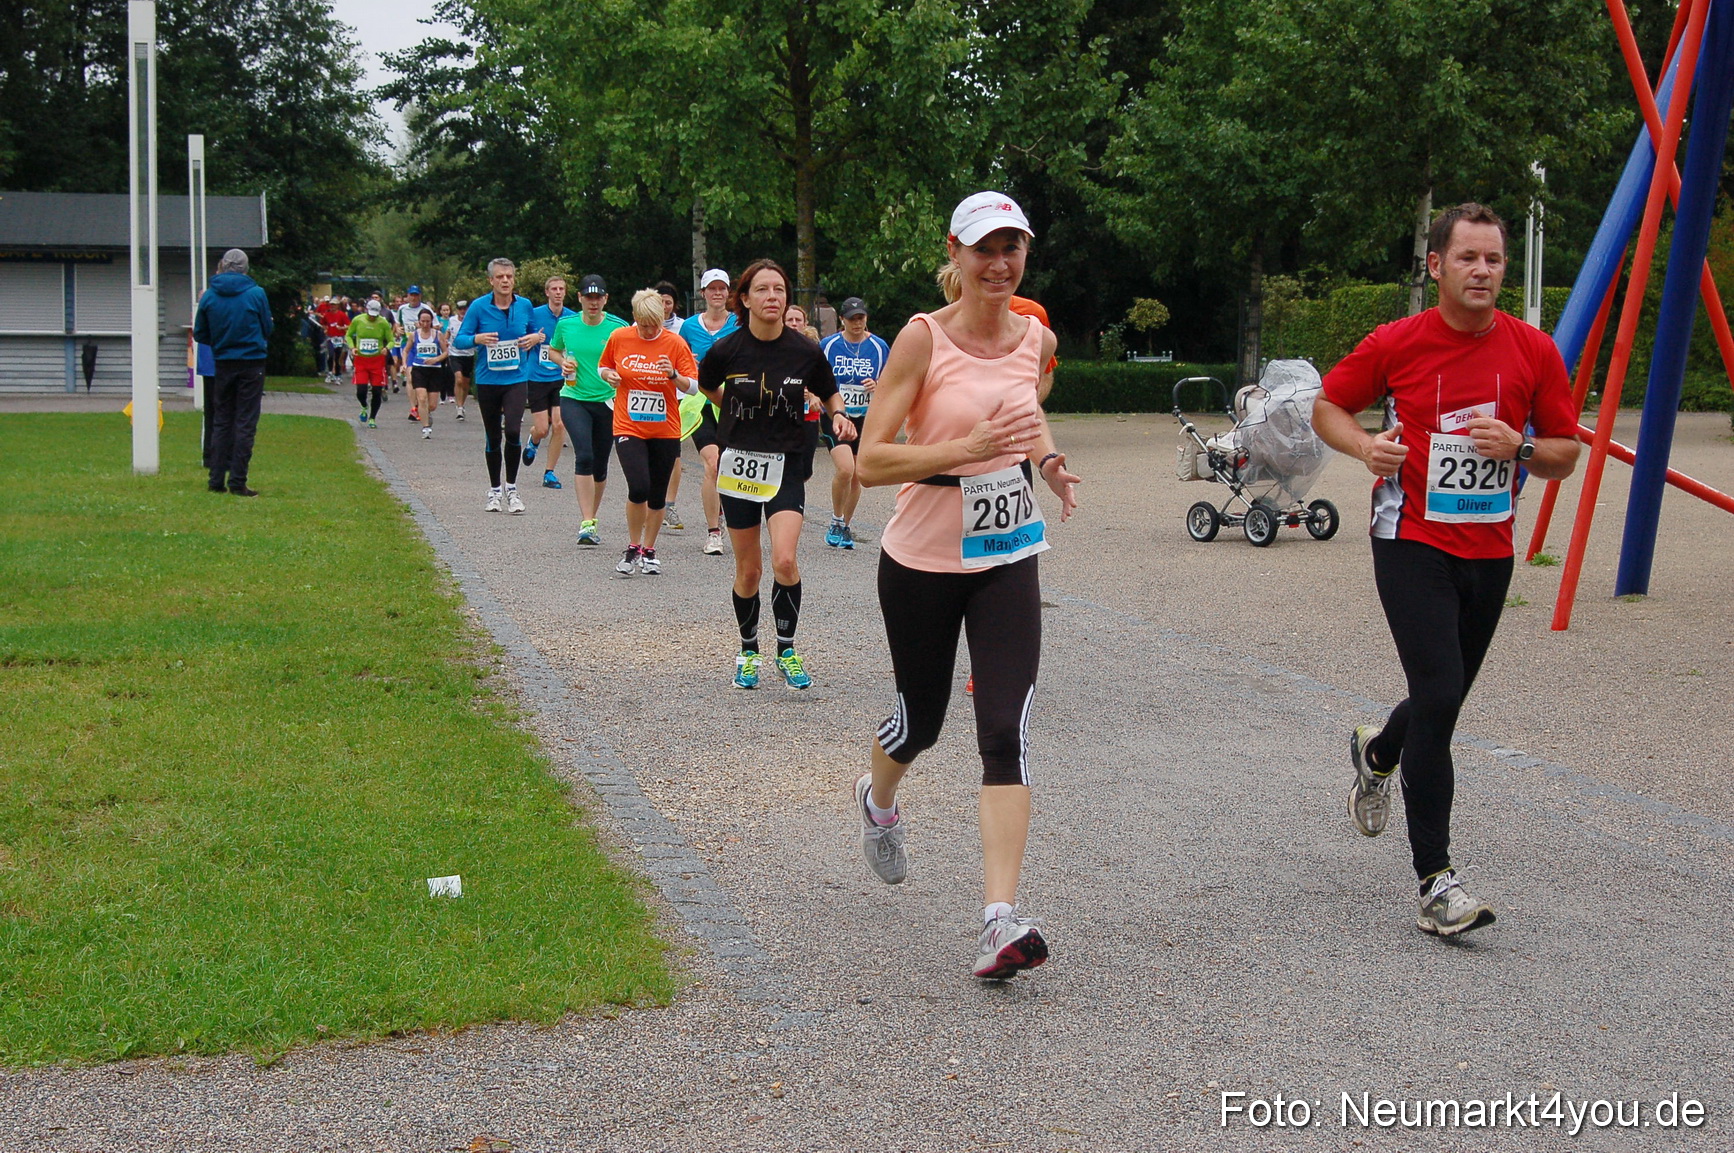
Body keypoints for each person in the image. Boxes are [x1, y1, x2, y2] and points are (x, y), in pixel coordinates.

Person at [1311, 203, 1580, 938]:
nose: (1485, 271)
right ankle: (1437, 882)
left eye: (1494, 259)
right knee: (1439, 689)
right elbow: (1327, 405)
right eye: (1469, 258)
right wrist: (1368, 449)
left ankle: (1378, 751)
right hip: (1410, 539)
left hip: (1489, 550)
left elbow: (1566, 450)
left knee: (1443, 698)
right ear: (1437, 266)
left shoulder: (1533, 351)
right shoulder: (1398, 342)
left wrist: (1520, 448)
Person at [853, 191, 1080, 980]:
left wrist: (1046, 461)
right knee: (922, 721)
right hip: (920, 557)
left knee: (1005, 727)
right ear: (954, 252)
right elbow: (870, 460)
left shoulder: (1035, 335)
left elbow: (1027, 411)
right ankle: (878, 800)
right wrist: (961, 449)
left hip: (1008, 553)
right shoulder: (921, 339)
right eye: (985, 247)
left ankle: (998, 921)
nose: (999, 262)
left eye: (1013, 246)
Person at [697, 259, 854, 690]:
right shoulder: (727, 349)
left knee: (785, 559)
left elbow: (829, 390)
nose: (773, 297)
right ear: (744, 299)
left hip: (784, 465)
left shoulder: (803, 350)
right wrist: (730, 405)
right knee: (749, 570)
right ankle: (749, 651)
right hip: (739, 466)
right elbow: (705, 382)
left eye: (780, 290)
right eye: (763, 290)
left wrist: (838, 415)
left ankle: (786, 649)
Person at [598, 289, 701, 576]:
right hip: (628, 424)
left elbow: (692, 386)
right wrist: (608, 376)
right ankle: (632, 546)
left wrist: (673, 375)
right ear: (635, 318)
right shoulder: (620, 338)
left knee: (657, 494)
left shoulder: (675, 343)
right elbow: (603, 366)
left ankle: (650, 549)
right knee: (638, 486)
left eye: (654, 324)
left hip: (665, 428)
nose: (648, 330)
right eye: (643, 324)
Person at [453, 258, 540, 514]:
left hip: (516, 379)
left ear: (514, 279)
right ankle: (494, 491)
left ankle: (512, 488)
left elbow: (538, 332)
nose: (505, 281)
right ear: (491, 280)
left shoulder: (524, 305)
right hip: (489, 381)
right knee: (493, 436)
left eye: (509, 277)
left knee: (512, 431)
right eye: (500, 277)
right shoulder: (479, 307)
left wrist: (535, 338)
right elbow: (460, 339)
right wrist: (477, 338)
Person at [551, 274, 629, 546]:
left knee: (600, 462)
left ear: (605, 299)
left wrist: (615, 375)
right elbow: (553, 350)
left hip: (608, 401)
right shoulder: (566, 324)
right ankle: (586, 521)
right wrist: (563, 363)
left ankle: (591, 518)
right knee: (583, 454)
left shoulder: (619, 328)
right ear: (580, 298)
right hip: (574, 397)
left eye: (598, 297)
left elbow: (630, 360)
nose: (593, 302)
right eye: (588, 297)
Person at [192, 248, 274, 497]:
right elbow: (267, 327)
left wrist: (220, 342)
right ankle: (238, 481)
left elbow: (199, 333)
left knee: (221, 420)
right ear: (245, 268)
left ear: (222, 266)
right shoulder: (256, 294)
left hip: (223, 362)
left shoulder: (209, 296)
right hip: (252, 362)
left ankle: (216, 479)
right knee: (245, 422)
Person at [819, 296, 889, 549]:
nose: (857, 323)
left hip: (865, 417)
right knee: (846, 469)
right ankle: (836, 520)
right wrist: (818, 396)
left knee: (857, 475)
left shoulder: (880, 347)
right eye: (852, 319)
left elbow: (893, 382)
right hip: (835, 416)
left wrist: (878, 385)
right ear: (842, 320)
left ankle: (845, 526)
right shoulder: (828, 345)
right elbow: (815, 375)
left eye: (861, 318)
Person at [678, 268, 738, 555]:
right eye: (711, 289)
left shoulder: (740, 323)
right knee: (713, 464)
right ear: (703, 294)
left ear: (728, 293)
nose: (717, 293)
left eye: (721, 288)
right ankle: (714, 532)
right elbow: (679, 362)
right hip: (698, 404)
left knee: (728, 466)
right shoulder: (689, 327)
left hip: (732, 404)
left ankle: (726, 515)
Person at [523, 275, 572, 490]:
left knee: (559, 424)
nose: (558, 292)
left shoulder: (572, 318)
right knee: (543, 428)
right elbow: (519, 340)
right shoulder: (534, 315)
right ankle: (533, 440)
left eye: (561, 289)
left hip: (561, 378)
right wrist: (533, 338)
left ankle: (549, 472)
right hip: (537, 377)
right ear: (547, 292)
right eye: (554, 289)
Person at [346, 299, 395, 428]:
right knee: (361, 390)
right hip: (361, 360)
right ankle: (364, 406)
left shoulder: (383, 323)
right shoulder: (358, 320)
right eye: (370, 314)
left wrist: (386, 348)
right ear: (366, 310)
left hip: (377, 361)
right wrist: (352, 347)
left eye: (375, 315)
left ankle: (372, 418)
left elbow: (391, 340)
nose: (372, 317)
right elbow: (349, 335)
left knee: (377, 391)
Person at [405, 305, 449, 439]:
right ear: (418, 322)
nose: (425, 324)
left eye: (428, 321)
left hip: (435, 371)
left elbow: (446, 352)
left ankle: (426, 413)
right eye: (422, 321)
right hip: (419, 369)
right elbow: (406, 350)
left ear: (431, 322)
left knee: (432, 404)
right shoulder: (414, 335)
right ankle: (426, 428)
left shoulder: (438, 335)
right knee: (422, 398)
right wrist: (404, 364)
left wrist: (436, 358)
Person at [447, 299, 474, 419]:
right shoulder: (452, 320)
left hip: (468, 354)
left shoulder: (472, 321)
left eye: (465, 309)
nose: (462, 311)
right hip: (454, 354)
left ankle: (462, 404)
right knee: (458, 379)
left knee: (466, 382)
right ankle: (459, 408)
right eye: (460, 309)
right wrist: (443, 343)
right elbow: (447, 333)